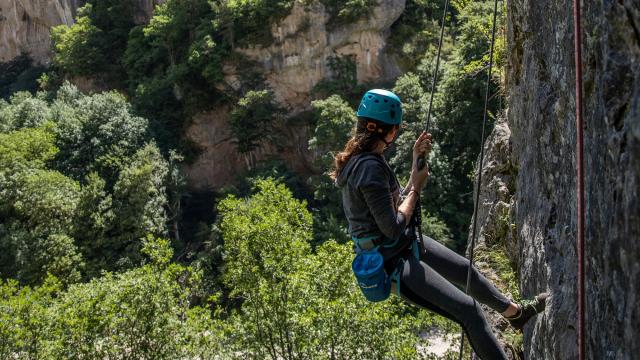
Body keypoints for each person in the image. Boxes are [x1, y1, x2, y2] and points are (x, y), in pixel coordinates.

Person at [333, 89, 548, 359]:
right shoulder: (369, 168)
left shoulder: (365, 161)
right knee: (470, 312)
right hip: (394, 263)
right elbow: (393, 225)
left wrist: (414, 168)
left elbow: (396, 204)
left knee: (466, 271)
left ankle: (516, 313)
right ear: (391, 131)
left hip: (400, 245)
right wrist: (417, 189)